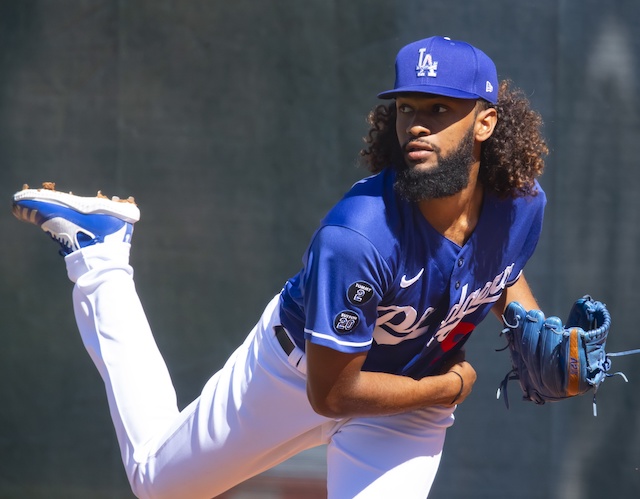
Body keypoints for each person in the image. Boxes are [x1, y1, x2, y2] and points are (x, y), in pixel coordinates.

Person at [12, 35, 548, 498]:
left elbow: (498, 269)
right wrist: (450, 388)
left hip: (404, 410)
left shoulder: (521, 206)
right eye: (407, 108)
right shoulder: (357, 236)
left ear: (485, 122)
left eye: (439, 109)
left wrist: (538, 333)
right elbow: (332, 394)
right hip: (296, 375)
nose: (416, 126)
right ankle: (100, 256)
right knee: (155, 483)